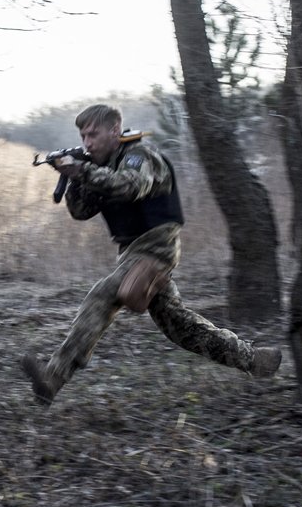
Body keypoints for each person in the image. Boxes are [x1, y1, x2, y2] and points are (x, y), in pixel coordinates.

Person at [20, 104, 282, 405]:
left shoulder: (139, 156)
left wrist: (82, 169)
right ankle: (255, 360)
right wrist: (75, 177)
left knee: (104, 294)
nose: (87, 142)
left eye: (93, 134)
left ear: (115, 130)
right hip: (132, 251)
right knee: (179, 326)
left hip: (157, 245)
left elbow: (131, 187)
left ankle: (53, 376)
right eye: (83, 136)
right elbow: (81, 211)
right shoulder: (99, 164)